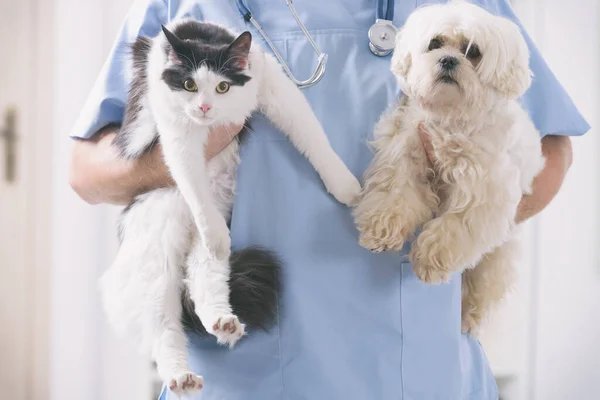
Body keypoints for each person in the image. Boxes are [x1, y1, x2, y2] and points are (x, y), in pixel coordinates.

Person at [69, 0, 589, 399]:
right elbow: (87, 172)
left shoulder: (458, 9)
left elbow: (551, 148)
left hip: (413, 367)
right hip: (238, 366)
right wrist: (188, 149)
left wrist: (473, 213)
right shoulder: (191, 5)